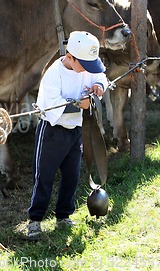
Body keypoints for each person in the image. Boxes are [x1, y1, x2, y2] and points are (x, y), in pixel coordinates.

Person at [26, 31, 108, 238]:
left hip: (76, 130)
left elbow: (101, 76)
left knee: (71, 176)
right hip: (53, 131)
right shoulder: (53, 74)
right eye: (85, 65)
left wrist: (99, 86)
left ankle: (63, 215)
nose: (89, 70)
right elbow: (52, 107)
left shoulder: (87, 66)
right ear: (70, 56)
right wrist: (80, 104)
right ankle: (35, 220)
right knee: (44, 176)